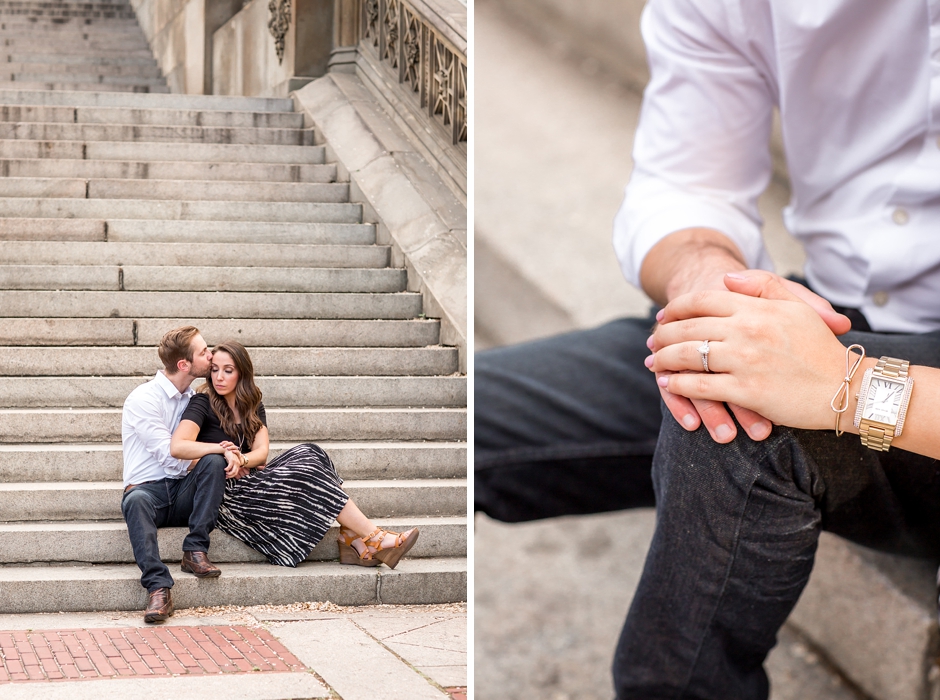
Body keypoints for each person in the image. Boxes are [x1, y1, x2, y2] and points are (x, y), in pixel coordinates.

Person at [475, 0, 940, 696]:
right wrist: (712, 299)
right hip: (831, 310)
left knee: (744, 430)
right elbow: (687, 181)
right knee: (470, 415)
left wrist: (844, 388)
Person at [169, 340, 420, 570]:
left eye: (228, 370)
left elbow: (262, 453)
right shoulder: (202, 402)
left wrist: (242, 458)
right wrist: (225, 454)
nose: (219, 377)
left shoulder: (253, 404)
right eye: (214, 370)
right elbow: (179, 446)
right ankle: (370, 537)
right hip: (224, 492)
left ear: (242, 373)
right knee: (306, 471)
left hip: (251, 478)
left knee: (312, 452)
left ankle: (353, 536)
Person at [121, 326, 227, 624]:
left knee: (214, 462)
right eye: (204, 352)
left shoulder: (196, 399)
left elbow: (196, 458)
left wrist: (225, 452)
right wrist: (212, 449)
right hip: (149, 493)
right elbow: (171, 459)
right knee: (136, 501)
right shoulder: (143, 399)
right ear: (184, 364)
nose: (211, 354)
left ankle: (194, 550)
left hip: (183, 494)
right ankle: (158, 586)